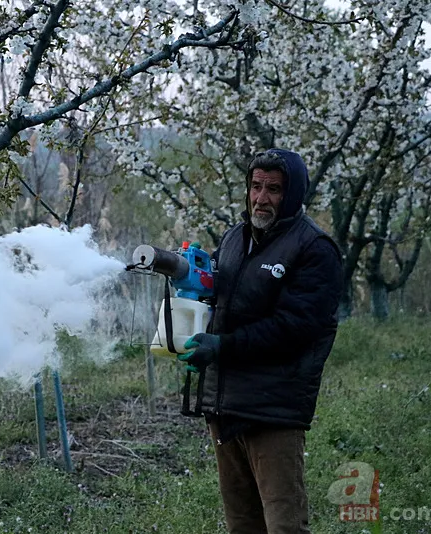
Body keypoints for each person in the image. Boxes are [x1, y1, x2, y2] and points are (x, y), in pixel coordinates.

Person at [178, 149, 343, 534]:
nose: (261, 197)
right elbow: (218, 296)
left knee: (284, 525)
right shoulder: (234, 238)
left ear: (293, 194)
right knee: (242, 525)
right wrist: (189, 278)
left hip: (273, 411)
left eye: (273, 189)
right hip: (225, 405)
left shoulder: (314, 250)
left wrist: (221, 346)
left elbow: (294, 328)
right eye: (255, 186)